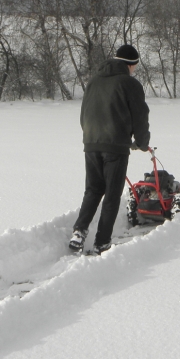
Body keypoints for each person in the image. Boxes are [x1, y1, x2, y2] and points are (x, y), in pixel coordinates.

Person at [69, 44, 151, 255]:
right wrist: (141, 142)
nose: (134, 70)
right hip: (115, 146)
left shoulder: (93, 81)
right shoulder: (129, 84)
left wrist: (90, 137)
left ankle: (79, 230)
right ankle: (102, 242)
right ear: (131, 65)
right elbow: (140, 116)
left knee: (94, 189)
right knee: (112, 194)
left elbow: (84, 114)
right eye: (135, 66)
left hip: (91, 142)